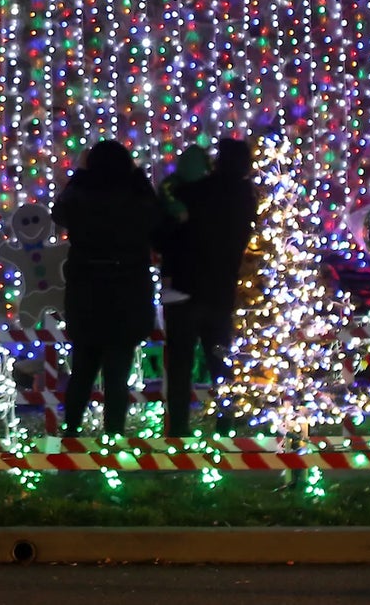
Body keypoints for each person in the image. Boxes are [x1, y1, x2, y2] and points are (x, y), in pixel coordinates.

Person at [51, 139, 161, 435]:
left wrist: (80, 175)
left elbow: (59, 213)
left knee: (82, 371)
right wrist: (138, 175)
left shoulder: (82, 193)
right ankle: (113, 437)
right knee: (117, 375)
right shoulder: (136, 193)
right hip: (127, 293)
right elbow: (155, 219)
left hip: (87, 293)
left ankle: (71, 434)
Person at [154, 138, 257, 436]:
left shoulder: (193, 192)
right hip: (221, 292)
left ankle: (179, 432)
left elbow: (164, 234)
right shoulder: (244, 198)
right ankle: (225, 428)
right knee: (220, 362)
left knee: (180, 365)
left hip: (184, 289)